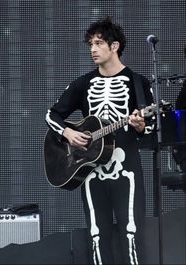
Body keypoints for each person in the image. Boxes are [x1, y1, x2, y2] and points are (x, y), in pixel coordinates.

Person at [45, 16, 154, 265]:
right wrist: (68, 133)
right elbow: (51, 114)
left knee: (131, 232)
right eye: (90, 44)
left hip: (127, 169)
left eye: (98, 43)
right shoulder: (83, 83)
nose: (92, 49)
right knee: (97, 235)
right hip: (91, 170)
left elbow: (151, 128)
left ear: (114, 46)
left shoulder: (137, 82)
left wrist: (140, 125)